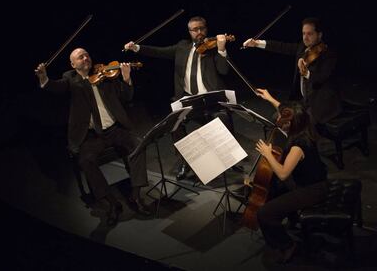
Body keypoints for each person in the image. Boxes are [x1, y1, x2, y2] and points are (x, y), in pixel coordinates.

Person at [34, 48, 151, 225]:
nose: (86, 58)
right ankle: (111, 203)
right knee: (86, 160)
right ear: (73, 64)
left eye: (87, 55)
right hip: (91, 135)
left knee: (138, 144)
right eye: (80, 57)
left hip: (114, 129)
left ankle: (136, 196)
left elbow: (127, 97)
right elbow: (55, 86)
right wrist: (44, 77)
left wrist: (126, 77)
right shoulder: (71, 79)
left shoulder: (105, 75)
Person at [124, 16, 235, 179]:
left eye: (202, 28)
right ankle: (184, 161)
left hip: (210, 99)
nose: (199, 32)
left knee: (223, 117)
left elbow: (224, 70)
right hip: (189, 99)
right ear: (189, 32)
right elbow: (158, 51)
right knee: (175, 124)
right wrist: (136, 48)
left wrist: (221, 49)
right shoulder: (182, 47)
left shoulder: (213, 49)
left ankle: (225, 160)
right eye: (195, 29)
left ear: (206, 29)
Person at [253, 88, 328, 263]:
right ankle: (291, 220)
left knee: (264, 213)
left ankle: (287, 245)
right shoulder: (303, 123)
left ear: (292, 124)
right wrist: (270, 98)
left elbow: (283, 173)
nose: (279, 121)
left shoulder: (298, 145)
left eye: (283, 121)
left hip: (312, 189)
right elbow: (288, 111)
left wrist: (267, 153)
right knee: (271, 192)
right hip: (308, 181)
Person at [243, 17, 341, 125]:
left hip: (320, 104)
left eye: (310, 34)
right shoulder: (302, 48)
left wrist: (306, 73)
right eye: (303, 33)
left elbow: (321, 78)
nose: (305, 37)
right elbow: (281, 47)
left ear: (319, 35)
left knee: (293, 123)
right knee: (276, 118)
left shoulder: (329, 55)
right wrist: (257, 43)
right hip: (303, 101)